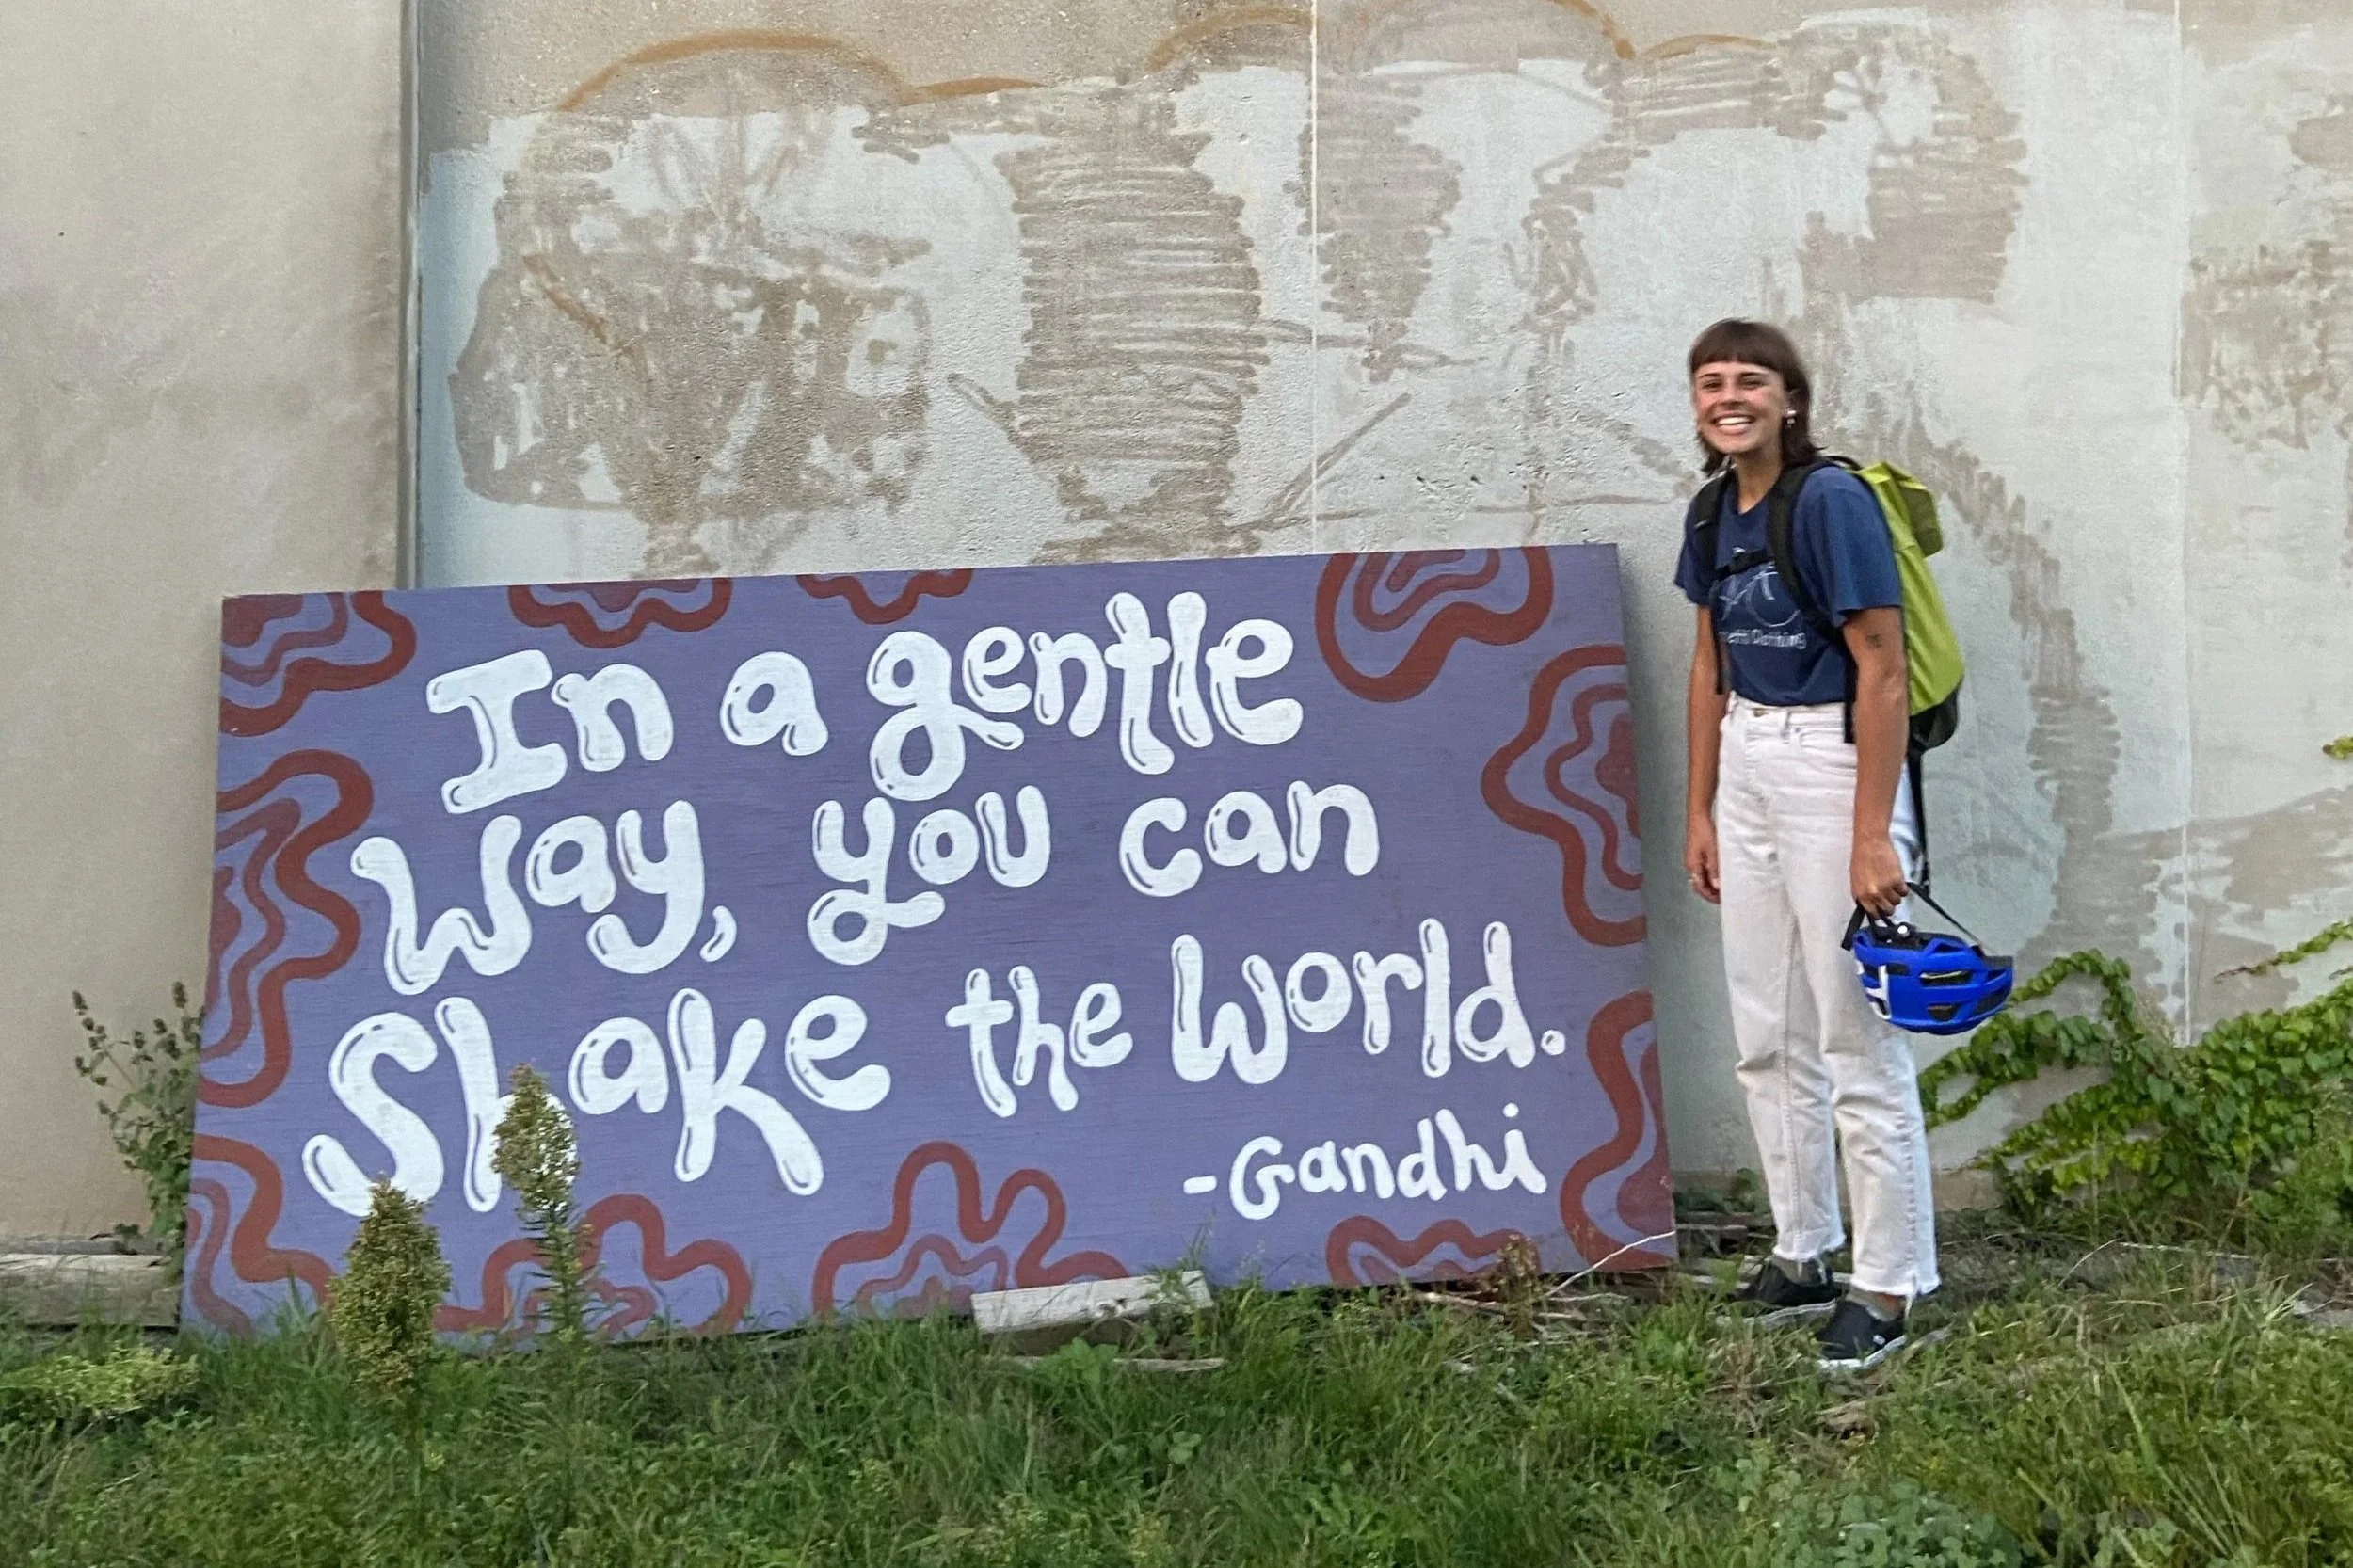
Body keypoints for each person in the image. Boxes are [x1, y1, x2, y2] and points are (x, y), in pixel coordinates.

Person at [1674, 318, 1938, 1372]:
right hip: (1747, 760)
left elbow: (1882, 667)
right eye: (1708, 382)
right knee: (1765, 1026)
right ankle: (1802, 1249)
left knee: (1854, 1038)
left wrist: (1873, 833)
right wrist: (1698, 811)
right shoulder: (1708, 510)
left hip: (1835, 766)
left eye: (1749, 380)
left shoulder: (1828, 500)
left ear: (1790, 399)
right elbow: (1707, 666)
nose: (1727, 395)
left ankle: (1889, 1280)